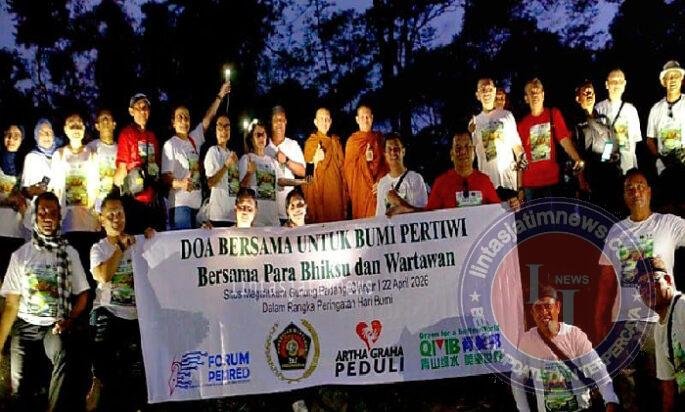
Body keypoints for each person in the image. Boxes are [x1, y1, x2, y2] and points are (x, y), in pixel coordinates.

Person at [598, 168, 685, 410]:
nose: (635, 192)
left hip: (660, 319)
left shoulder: (668, 223)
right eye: (630, 189)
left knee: (666, 384)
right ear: (624, 196)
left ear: (649, 191)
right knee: (628, 390)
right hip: (624, 322)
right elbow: (606, 282)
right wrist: (601, 321)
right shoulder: (616, 231)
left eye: (640, 187)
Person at [0, 191, 91, 411]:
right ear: (35, 217)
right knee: (19, 388)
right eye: (42, 213)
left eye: (52, 213)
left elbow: (83, 294)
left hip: (54, 324)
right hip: (25, 325)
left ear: (59, 217)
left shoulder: (69, 253)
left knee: (64, 353)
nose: (47, 217)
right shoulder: (21, 256)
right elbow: (11, 304)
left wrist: (70, 319)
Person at [511, 287, 620, 412]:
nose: (544, 312)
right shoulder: (527, 341)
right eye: (538, 308)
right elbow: (517, 379)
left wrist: (610, 400)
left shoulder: (574, 335)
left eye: (548, 306)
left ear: (557, 307)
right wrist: (524, 409)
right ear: (533, 313)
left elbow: (597, 369)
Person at [87, 193, 145, 412]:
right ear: (101, 220)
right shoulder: (98, 248)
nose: (116, 219)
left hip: (135, 314)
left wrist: (153, 238)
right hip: (108, 310)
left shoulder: (138, 243)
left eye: (119, 213)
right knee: (103, 358)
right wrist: (120, 248)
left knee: (135, 368)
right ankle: (97, 384)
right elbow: (103, 276)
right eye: (110, 215)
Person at [162, 83, 230, 230]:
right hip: (180, 207)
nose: (184, 120)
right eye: (179, 117)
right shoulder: (170, 144)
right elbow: (165, 177)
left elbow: (209, 117)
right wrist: (181, 184)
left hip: (197, 207)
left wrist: (220, 95)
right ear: (173, 123)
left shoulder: (194, 139)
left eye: (186, 117)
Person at [49, 112, 100, 288]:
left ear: (84, 129)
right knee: (69, 274)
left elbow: (97, 187)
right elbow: (56, 190)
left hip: (89, 223)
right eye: (72, 125)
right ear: (65, 129)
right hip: (67, 224)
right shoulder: (59, 155)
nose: (76, 129)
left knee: (88, 273)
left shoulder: (92, 154)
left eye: (79, 125)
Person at [517, 78, 585, 200]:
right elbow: (520, 157)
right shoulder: (522, 125)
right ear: (526, 98)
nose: (535, 95)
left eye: (538, 91)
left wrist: (576, 158)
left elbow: (564, 139)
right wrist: (520, 187)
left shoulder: (553, 114)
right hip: (530, 184)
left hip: (552, 181)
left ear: (543, 95)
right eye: (531, 92)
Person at [636, 257, 685, 411]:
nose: (647, 289)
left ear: (668, 280)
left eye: (652, 280)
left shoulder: (683, 307)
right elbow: (668, 385)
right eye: (641, 285)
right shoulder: (659, 329)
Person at [113, 93, 164, 234]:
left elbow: (157, 165)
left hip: (153, 201)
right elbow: (121, 169)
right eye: (138, 107)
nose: (142, 111)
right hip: (134, 202)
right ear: (131, 111)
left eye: (145, 107)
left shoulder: (153, 136)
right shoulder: (126, 134)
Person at [574, 81, 624, 217]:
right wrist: (581, 180)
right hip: (590, 176)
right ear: (578, 98)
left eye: (591, 91)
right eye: (585, 92)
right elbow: (575, 154)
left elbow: (611, 142)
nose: (589, 94)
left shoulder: (603, 118)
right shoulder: (575, 121)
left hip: (608, 172)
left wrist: (605, 158)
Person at [471, 78, 525, 200]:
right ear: (477, 95)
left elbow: (517, 148)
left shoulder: (507, 115)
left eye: (490, 89)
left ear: (495, 91)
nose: (486, 92)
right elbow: (472, 156)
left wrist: (520, 185)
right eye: (483, 89)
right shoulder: (474, 122)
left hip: (509, 184)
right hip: (487, 187)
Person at [646, 60, 685, 214]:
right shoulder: (656, 109)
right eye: (669, 77)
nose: (673, 80)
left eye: (676, 76)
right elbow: (650, 139)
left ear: (682, 79)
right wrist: (659, 158)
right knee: (669, 211)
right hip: (665, 169)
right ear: (664, 81)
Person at [301, 107, 347, 223]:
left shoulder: (335, 142)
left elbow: (343, 171)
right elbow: (308, 175)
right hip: (320, 197)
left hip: (336, 196)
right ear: (315, 122)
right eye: (321, 119)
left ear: (330, 122)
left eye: (327, 119)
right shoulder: (311, 143)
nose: (324, 122)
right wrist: (315, 160)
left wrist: (345, 196)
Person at [344, 105, 388, 219]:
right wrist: (364, 159)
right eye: (362, 117)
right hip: (361, 193)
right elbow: (348, 171)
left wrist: (382, 182)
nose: (365, 120)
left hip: (380, 190)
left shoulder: (380, 139)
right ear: (357, 120)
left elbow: (387, 165)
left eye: (368, 117)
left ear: (372, 118)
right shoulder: (352, 142)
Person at [596, 69, 642, 175]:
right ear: (607, 84)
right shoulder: (598, 109)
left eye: (620, 81)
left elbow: (635, 141)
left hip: (628, 167)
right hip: (607, 167)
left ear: (624, 84)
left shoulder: (631, 110)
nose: (617, 84)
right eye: (613, 81)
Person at [265, 106, 306, 224]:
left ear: (286, 122)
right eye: (276, 120)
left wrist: (287, 161)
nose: (279, 123)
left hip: (288, 211)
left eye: (282, 120)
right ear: (271, 122)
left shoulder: (293, 145)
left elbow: (303, 171)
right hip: (267, 213)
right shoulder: (263, 146)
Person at [239, 122, 282, 226]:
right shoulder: (246, 159)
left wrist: (301, 181)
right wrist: (249, 173)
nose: (261, 137)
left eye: (263, 134)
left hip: (274, 222)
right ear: (251, 139)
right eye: (257, 135)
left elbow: (281, 184)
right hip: (256, 222)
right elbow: (240, 188)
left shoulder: (273, 162)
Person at [0, 124, 29, 279]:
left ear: (22, 139)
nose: (11, 139)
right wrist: (8, 199)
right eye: (8, 134)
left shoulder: (28, 163)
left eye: (16, 135)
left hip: (18, 232)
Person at [375, 133, 427, 217]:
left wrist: (399, 202)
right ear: (385, 154)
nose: (393, 152)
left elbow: (425, 214)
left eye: (396, 148)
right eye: (389, 149)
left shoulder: (415, 179)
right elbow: (380, 216)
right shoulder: (382, 183)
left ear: (403, 151)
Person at [203, 114, 239, 227]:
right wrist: (226, 166)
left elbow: (235, 186)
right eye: (220, 126)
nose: (224, 130)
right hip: (218, 216)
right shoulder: (213, 151)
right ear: (215, 130)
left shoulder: (232, 155)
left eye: (227, 126)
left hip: (233, 216)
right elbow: (211, 183)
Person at [87, 109, 118, 211]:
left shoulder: (121, 149)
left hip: (115, 203)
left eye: (108, 118)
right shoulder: (90, 148)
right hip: (95, 206)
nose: (105, 121)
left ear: (114, 125)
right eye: (102, 119)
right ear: (97, 126)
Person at [21, 118, 61, 199]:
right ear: (36, 136)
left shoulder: (60, 154)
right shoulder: (31, 158)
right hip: (39, 204)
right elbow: (25, 190)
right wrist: (33, 190)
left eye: (49, 132)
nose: (46, 135)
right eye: (41, 132)